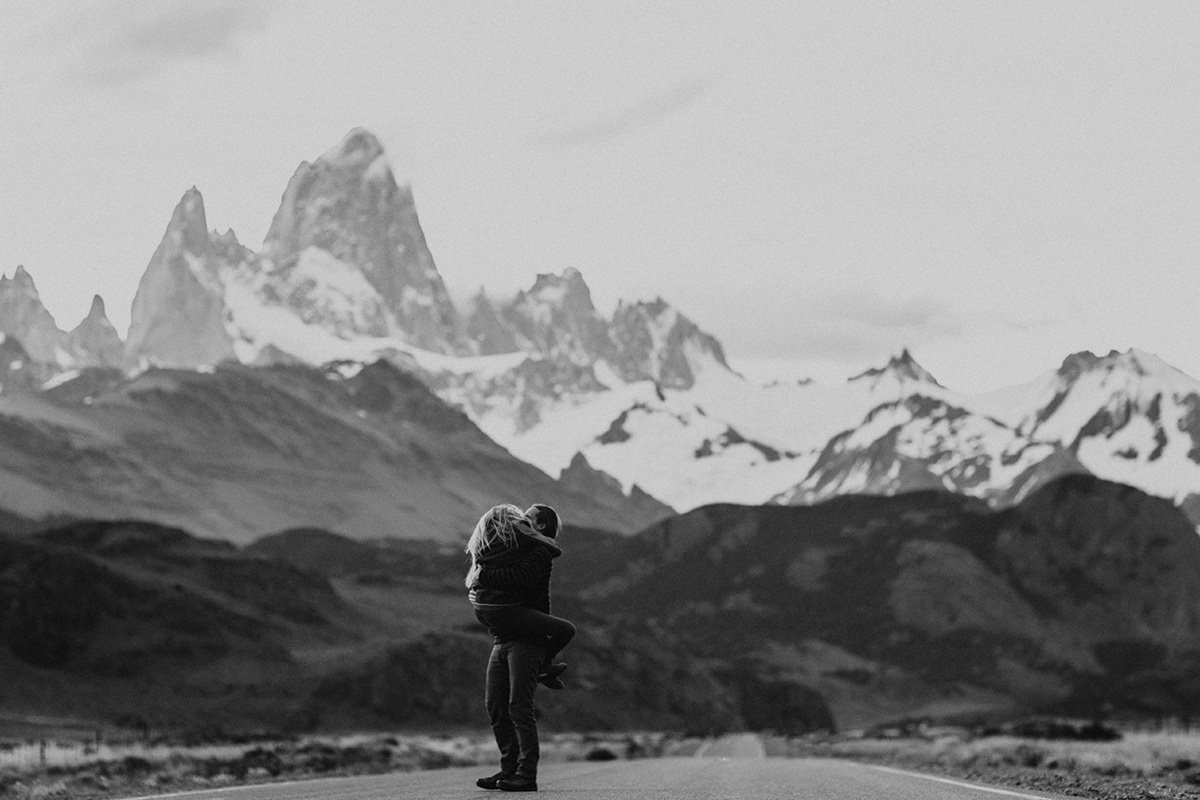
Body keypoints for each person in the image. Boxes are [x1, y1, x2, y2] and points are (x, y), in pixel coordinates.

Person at [466, 503, 576, 793]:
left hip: (526, 639)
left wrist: (483, 575)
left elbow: (521, 579)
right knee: (495, 706)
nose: (520, 520)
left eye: (527, 517)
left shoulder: (539, 553)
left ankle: (526, 775)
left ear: (539, 526)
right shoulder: (519, 548)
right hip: (503, 637)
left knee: (519, 707)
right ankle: (508, 770)